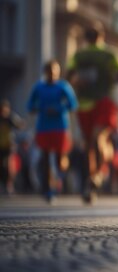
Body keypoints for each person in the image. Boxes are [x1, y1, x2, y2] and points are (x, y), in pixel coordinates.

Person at [67, 23, 118, 204]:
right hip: (105, 101)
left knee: (92, 143)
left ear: (85, 38)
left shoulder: (78, 56)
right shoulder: (111, 54)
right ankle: (95, 177)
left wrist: (78, 81)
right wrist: (110, 77)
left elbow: (68, 75)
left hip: (85, 104)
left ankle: (94, 178)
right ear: (102, 36)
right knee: (96, 141)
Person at [27, 60, 79, 203]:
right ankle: (48, 189)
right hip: (43, 127)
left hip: (60, 127)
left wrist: (58, 108)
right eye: (49, 71)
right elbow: (30, 105)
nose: (52, 74)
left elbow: (73, 104)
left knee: (59, 159)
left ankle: (59, 178)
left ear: (58, 72)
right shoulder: (39, 87)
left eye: (54, 71)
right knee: (45, 158)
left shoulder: (63, 86)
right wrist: (38, 108)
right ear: (45, 72)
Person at [0, 100, 24, 195]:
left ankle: (9, 185)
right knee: (2, 166)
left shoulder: (10, 118)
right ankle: (3, 184)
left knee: (9, 166)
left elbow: (19, 125)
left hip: (9, 145)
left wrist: (20, 123)